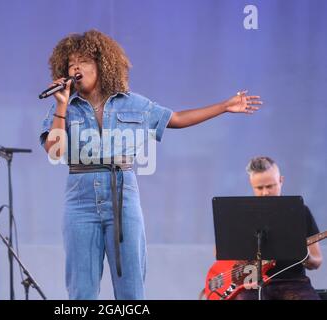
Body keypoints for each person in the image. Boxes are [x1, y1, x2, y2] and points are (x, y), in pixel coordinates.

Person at [39, 29, 262, 300]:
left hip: (122, 195)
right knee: (81, 291)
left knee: (131, 289)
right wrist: (61, 106)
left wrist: (224, 106)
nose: (76, 67)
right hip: (80, 199)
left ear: (101, 64)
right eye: (71, 62)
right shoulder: (64, 107)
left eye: (84, 60)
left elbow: (176, 118)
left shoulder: (131, 103)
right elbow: (55, 150)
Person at [233, 156, 323, 300]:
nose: (265, 192)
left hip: (294, 283)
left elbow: (317, 261)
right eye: (259, 188)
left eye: (270, 186)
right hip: (251, 285)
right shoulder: (242, 214)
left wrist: (305, 256)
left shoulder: (300, 211)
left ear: (281, 181)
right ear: (251, 184)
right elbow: (219, 251)